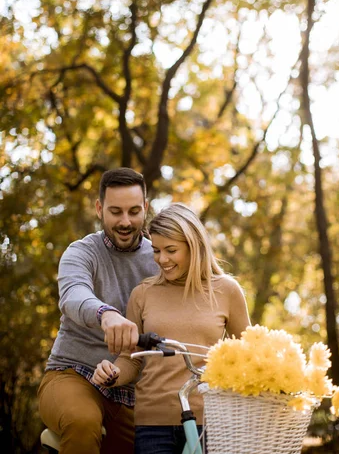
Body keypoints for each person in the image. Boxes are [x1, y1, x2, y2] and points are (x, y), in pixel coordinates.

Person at [93, 202, 251, 454]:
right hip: (153, 424)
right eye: (156, 250)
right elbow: (131, 359)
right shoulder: (142, 294)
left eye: (171, 250)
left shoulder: (227, 290)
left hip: (210, 420)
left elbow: (246, 355)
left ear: (194, 247)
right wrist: (112, 374)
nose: (162, 259)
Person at [38, 167, 159, 454]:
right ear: (99, 208)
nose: (126, 222)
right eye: (115, 212)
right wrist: (106, 313)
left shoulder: (160, 259)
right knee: (83, 421)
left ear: (146, 208)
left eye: (133, 211)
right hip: (71, 375)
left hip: (129, 392)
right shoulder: (81, 252)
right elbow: (73, 295)